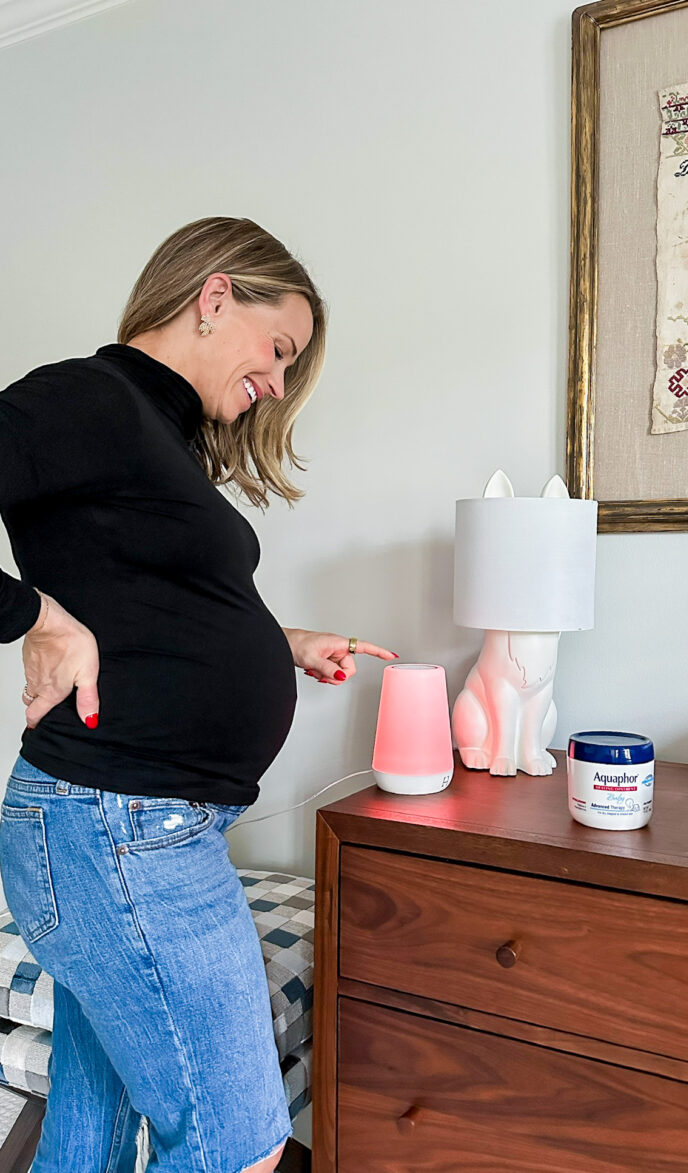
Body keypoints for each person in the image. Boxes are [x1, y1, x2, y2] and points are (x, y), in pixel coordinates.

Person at [0, 216, 395, 1172]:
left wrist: (276, 643)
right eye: (279, 348)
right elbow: (90, 601)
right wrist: (33, 616)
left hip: (130, 825)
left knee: (89, 1139)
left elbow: (146, 598)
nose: (279, 383)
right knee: (237, 1151)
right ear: (215, 296)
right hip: (119, 824)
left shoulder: (154, 437)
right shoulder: (85, 398)